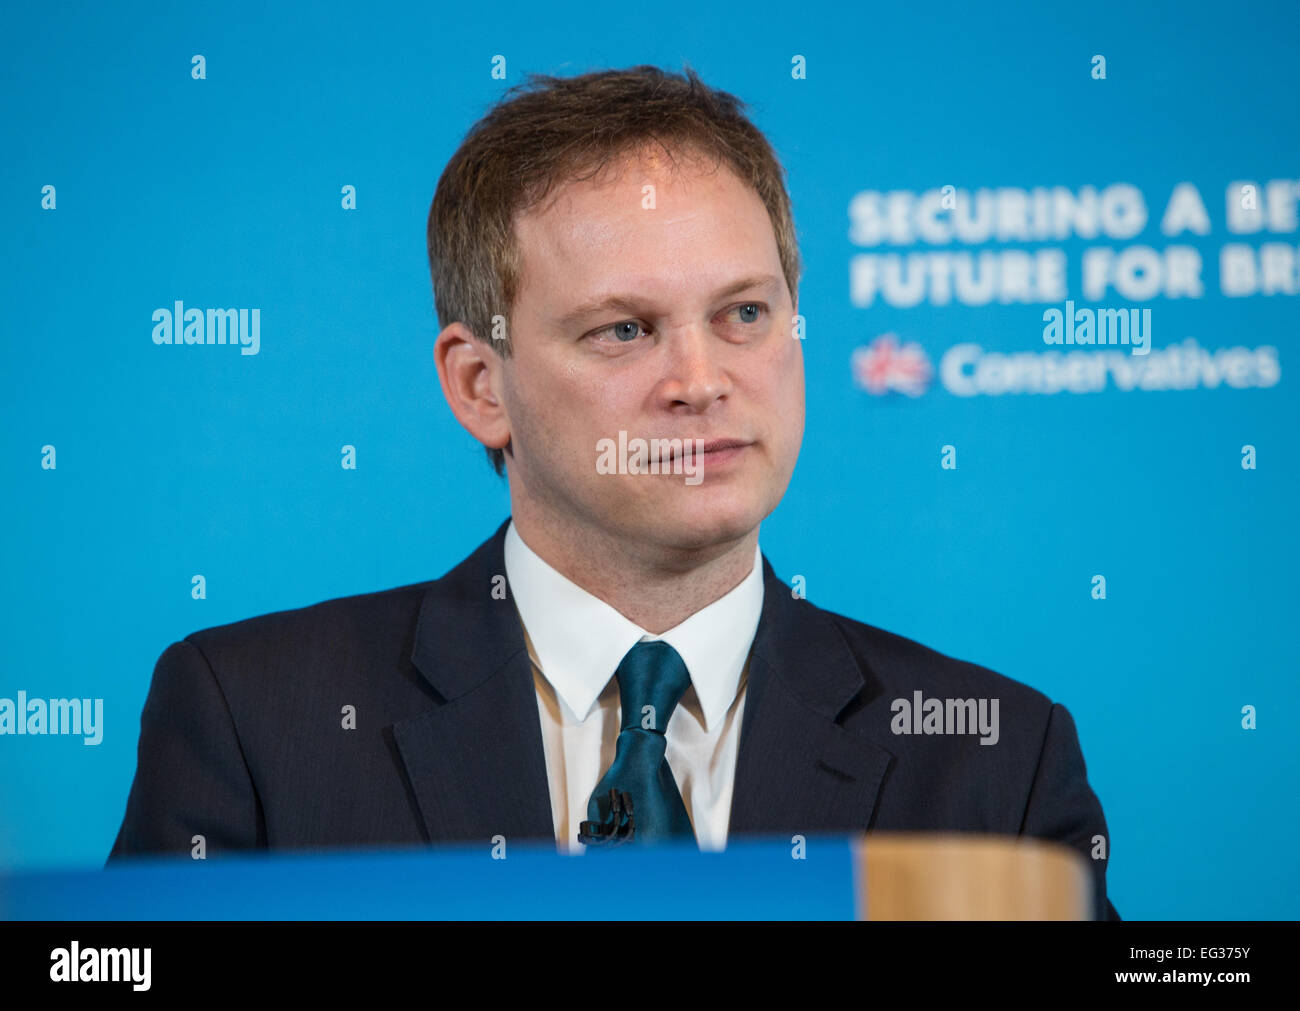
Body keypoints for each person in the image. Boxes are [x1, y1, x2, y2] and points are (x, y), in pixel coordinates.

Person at [108, 64, 1118, 919]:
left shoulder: (997, 757)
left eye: (744, 313)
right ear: (479, 386)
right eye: (623, 330)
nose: (700, 380)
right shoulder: (254, 722)